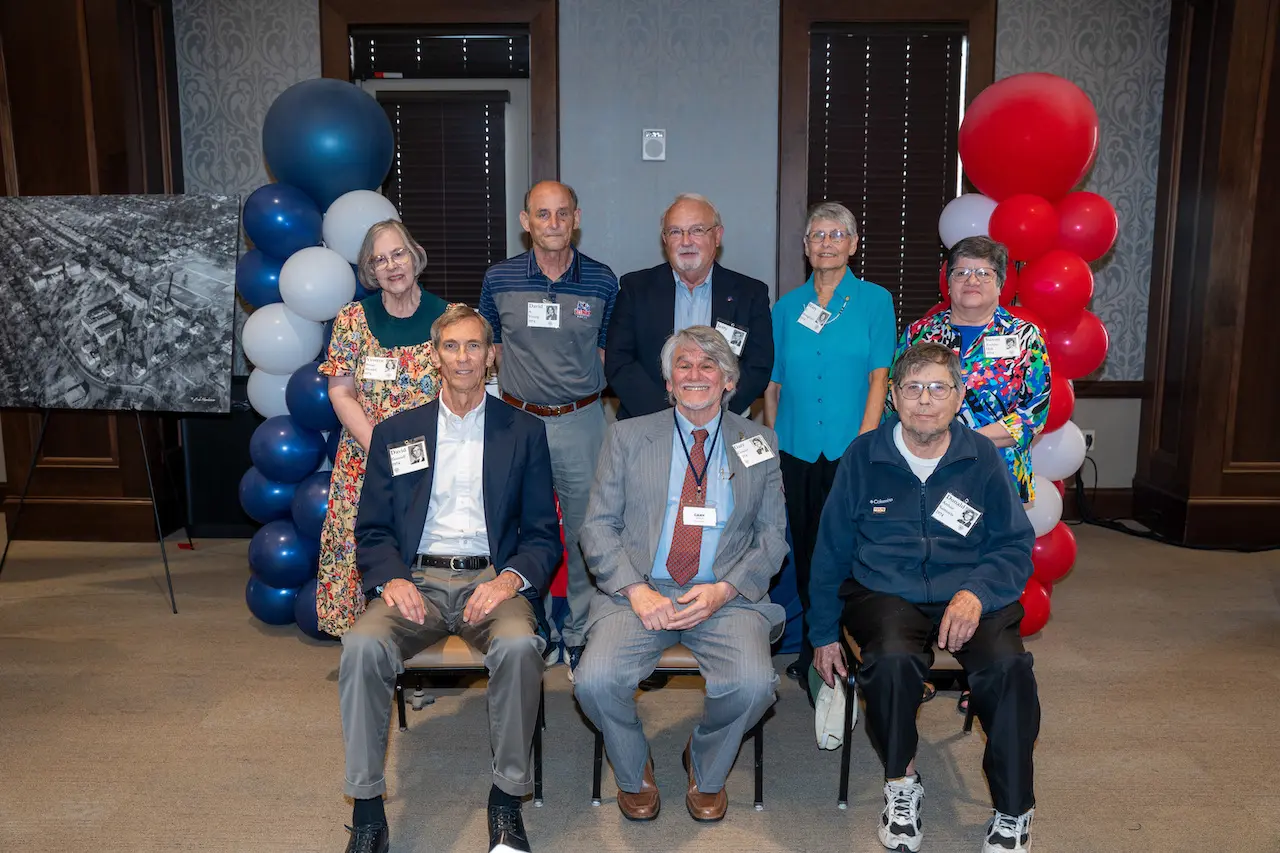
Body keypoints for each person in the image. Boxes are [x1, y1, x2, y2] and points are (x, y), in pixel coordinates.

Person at [336, 305, 561, 853]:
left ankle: (506, 803)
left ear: (491, 356)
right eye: (452, 346)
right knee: (362, 647)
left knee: (517, 646)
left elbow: (542, 534)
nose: (464, 358)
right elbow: (372, 529)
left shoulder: (523, 431)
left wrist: (507, 581)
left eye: (475, 346)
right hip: (419, 578)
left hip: (491, 577)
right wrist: (391, 579)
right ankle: (367, 813)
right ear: (435, 355)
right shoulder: (398, 431)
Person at [809, 342, 1040, 853]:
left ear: (958, 396)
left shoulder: (980, 456)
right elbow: (830, 551)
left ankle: (1013, 808)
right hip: (886, 592)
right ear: (894, 396)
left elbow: (1014, 543)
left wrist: (976, 594)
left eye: (938, 388)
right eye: (912, 388)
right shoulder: (863, 456)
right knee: (890, 662)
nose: (924, 400)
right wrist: (823, 633)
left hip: (970, 591)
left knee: (1008, 670)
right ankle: (902, 782)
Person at [574, 326, 788, 824]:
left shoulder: (759, 442)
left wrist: (725, 589)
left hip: (725, 591)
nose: (696, 375)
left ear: (729, 380)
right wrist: (636, 591)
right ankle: (633, 770)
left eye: (708, 365)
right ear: (668, 382)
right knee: (595, 681)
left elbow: (773, 536)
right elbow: (598, 527)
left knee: (755, 685)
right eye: (684, 366)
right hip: (641, 590)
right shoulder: (627, 435)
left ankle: (705, 760)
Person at [891, 235, 1051, 714]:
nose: (971, 280)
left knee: (989, 568)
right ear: (949, 279)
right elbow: (893, 399)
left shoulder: (1024, 337)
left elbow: (1035, 410)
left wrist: (971, 441)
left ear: (1000, 282)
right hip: (926, 476)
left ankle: (978, 670)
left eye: (983, 272)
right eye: (962, 271)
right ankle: (914, 662)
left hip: (994, 474)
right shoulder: (923, 331)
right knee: (924, 561)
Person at [478, 180, 619, 679]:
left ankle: (581, 630)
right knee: (514, 526)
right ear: (526, 222)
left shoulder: (603, 281)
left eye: (562, 214)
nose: (553, 224)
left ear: (576, 218)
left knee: (588, 531)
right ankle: (527, 624)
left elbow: (608, 352)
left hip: (582, 420)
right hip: (518, 421)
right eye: (543, 214)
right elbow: (487, 349)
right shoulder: (498, 279)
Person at [763, 201, 897, 693]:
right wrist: (775, 447)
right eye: (816, 235)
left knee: (850, 549)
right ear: (805, 246)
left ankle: (849, 645)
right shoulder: (786, 307)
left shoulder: (875, 301)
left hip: (851, 447)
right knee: (805, 548)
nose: (825, 242)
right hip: (797, 450)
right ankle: (809, 649)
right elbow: (773, 387)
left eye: (836, 234)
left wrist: (864, 442)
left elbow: (880, 376)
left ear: (853, 244)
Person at [316, 220, 450, 636]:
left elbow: (460, 392)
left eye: (398, 254)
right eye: (380, 259)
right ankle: (366, 653)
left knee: (420, 552)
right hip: (365, 461)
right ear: (370, 271)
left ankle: (420, 647)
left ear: (415, 256)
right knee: (361, 549)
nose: (391, 266)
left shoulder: (446, 319)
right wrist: (383, 448)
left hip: (430, 464)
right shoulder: (353, 320)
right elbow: (341, 392)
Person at [605, 193, 773, 420]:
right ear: (665, 240)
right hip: (647, 422)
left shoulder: (750, 293)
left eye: (697, 230)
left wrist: (713, 413)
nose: (686, 241)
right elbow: (620, 362)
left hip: (726, 421)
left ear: (717, 235)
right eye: (675, 232)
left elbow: (758, 365)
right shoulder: (635, 289)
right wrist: (670, 418)